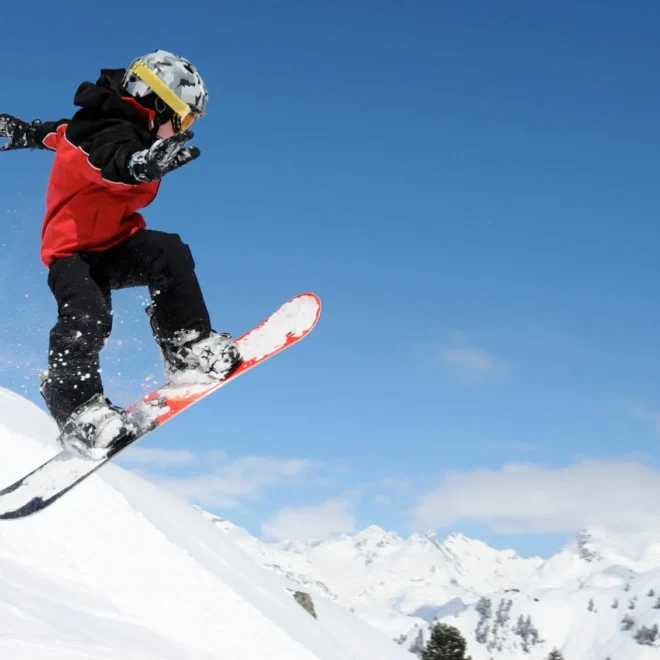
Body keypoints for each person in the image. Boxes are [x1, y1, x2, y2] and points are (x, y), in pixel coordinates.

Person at [0, 49, 242, 458]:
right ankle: (77, 405)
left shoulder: (126, 132)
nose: (182, 128)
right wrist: (138, 166)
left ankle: (186, 346)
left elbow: (58, 132)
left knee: (168, 252)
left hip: (114, 244)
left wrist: (28, 133)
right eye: (183, 117)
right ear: (158, 101)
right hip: (72, 255)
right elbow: (106, 157)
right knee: (87, 315)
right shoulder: (101, 131)